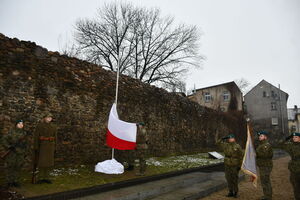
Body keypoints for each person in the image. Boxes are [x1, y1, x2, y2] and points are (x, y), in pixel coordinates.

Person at [1, 120, 28, 187]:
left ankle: (15, 181)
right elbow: (3, 140)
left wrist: (25, 150)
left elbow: (26, 143)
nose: (21, 125)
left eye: (22, 123)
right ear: (16, 124)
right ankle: (9, 181)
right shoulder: (11, 132)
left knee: (18, 167)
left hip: (20, 153)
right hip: (12, 153)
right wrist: (9, 147)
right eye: (19, 123)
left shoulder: (24, 133)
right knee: (10, 167)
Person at [33, 113, 57, 184]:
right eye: (48, 117)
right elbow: (36, 137)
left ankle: (47, 177)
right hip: (42, 146)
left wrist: (55, 147)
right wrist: (36, 146)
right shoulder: (40, 126)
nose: (49, 119)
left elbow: (55, 137)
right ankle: (40, 177)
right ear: (44, 118)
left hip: (50, 146)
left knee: (49, 163)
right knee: (41, 163)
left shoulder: (54, 126)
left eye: (50, 117)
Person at [217, 134, 243, 198]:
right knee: (228, 178)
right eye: (229, 138)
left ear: (234, 139)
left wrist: (239, 166)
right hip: (227, 164)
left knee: (234, 178)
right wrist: (222, 138)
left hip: (234, 164)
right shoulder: (226, 145)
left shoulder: (237, 146)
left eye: (231, 138)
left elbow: (241, 156)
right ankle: (230, 191)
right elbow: (218, 143)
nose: (230, 139)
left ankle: (235, 192)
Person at [279, 132, 300, 200]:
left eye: (296, 137)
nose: (294, 138)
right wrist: (287, 138)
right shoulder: (291, 145)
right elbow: (280, 144)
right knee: (295, 185)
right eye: (293, 137)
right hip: (293, 169)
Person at [256, 131, 273, 200]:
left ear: (265, 137)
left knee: (266, 181)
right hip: (262, 165)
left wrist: (256, 153)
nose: (259, 137)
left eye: (261, 136)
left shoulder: (266, 145)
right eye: (259, 136)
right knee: (264, 181)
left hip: (266, 166)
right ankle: (266, 195)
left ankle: (268, 197)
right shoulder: (261, 145)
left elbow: (265, 155)